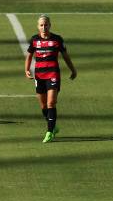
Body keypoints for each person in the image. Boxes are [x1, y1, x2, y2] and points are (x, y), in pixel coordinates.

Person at [25, 14, 77, 143]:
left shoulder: (57, 39)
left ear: (50, 25)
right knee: (43, 105)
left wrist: (73, 70)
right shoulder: (34, 40)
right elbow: (29, 56)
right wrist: (26, 70)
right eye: (41, 25)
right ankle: (53, 126)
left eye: (46, 25)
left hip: (53, 74)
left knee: (51, 103)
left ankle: (49, 132)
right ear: (38, 26)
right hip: (39, 75)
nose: (44, 27)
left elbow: (65, 56)